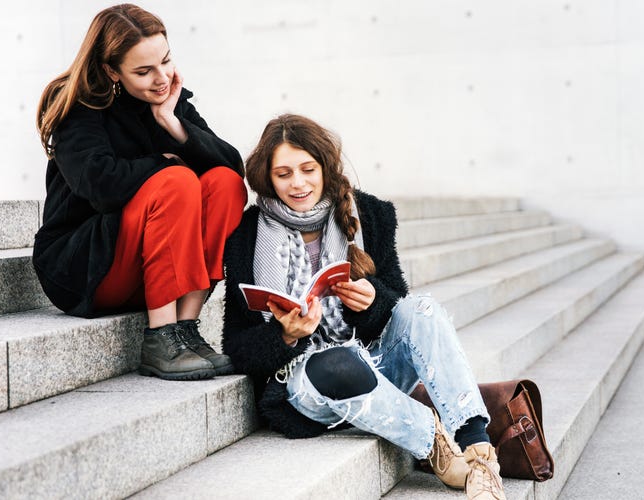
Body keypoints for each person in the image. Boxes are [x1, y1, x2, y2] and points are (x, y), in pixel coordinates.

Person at [222, 114, 505, 499]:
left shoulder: (368, 213)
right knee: (336, 361)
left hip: (376, 365)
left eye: (308, 169)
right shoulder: (246, 235)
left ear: (325, 167)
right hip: (308, 387)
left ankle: (476, 445)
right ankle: (437, 447)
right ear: (267, 178)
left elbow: (397, 306)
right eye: (284, 174)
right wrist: (284, 334)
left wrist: (373, 301)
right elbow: (236, 347)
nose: (299, 183)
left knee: (421, 308)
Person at [33, 4, 246, 381]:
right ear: (111, 70)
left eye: (166, 61)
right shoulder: (77, 106)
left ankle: (185, 329)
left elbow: (231, 166)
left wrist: (172, 122)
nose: (162, 78)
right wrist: (164, 165)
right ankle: (160, 338)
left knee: (223, 183)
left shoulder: (169, 100)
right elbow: (100, 185)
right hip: (87, 266)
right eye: (144, 71)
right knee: (176, 180)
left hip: (153, 269)